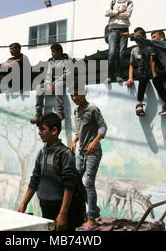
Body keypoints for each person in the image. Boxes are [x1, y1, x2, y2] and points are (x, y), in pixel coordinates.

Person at [17, 113, 85, 231]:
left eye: (43, 129)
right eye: (39, 129)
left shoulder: (65, 154)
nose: (39, 132)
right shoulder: (41, 153)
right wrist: (23, 204)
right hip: (45, 206)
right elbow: (35, 180)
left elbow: (69, 185)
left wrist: (63, 214)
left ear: (54, 130)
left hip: (63, 209)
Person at [71, 86, 107, 231]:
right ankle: (94, 208)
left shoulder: (92, 109)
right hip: (81, 153)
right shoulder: (75, 111)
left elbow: (103, 127)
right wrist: (74, 140)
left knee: (88, 182)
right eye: (71, 96)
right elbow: (80, 130)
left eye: (76, 94)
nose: (74, 98)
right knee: (75, 181)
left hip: (93, 152)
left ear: (84, 93)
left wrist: (95, 141)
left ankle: (91, 219)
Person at [31, 43, 72, 124]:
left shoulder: (68, 61)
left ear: (59, 51)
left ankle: (60, 113)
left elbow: (67, 74)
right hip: (52, 83)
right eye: (51, 52)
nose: (52, 54)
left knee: (58, 85)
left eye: (53, 52)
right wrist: (48, 84)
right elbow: (48, 74)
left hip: (63, 81)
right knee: (39, 87)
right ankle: (38, 114)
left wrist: (54, 83)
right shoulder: (51, 61)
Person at [104, 0, 134, 83]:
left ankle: (119, 75)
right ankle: (109, 76)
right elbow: (106, 13)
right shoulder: (112, 2)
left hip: (124, 29)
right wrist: (119, 12)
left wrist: (114, 14)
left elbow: (127, 15)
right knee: (112, 53)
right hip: (112, 30)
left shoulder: (129, 2)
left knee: (122, 53)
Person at [125, 27, 152, 116]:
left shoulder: (150, 47)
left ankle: (139, 103)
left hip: (152, 71)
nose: (136, 39)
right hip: (142, 73)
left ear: (144, 36)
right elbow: (131, 65)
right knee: (142, 75)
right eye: (135, 36)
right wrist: (130, 78)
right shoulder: (134, 50)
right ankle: (139, 104)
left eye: (139, 36)